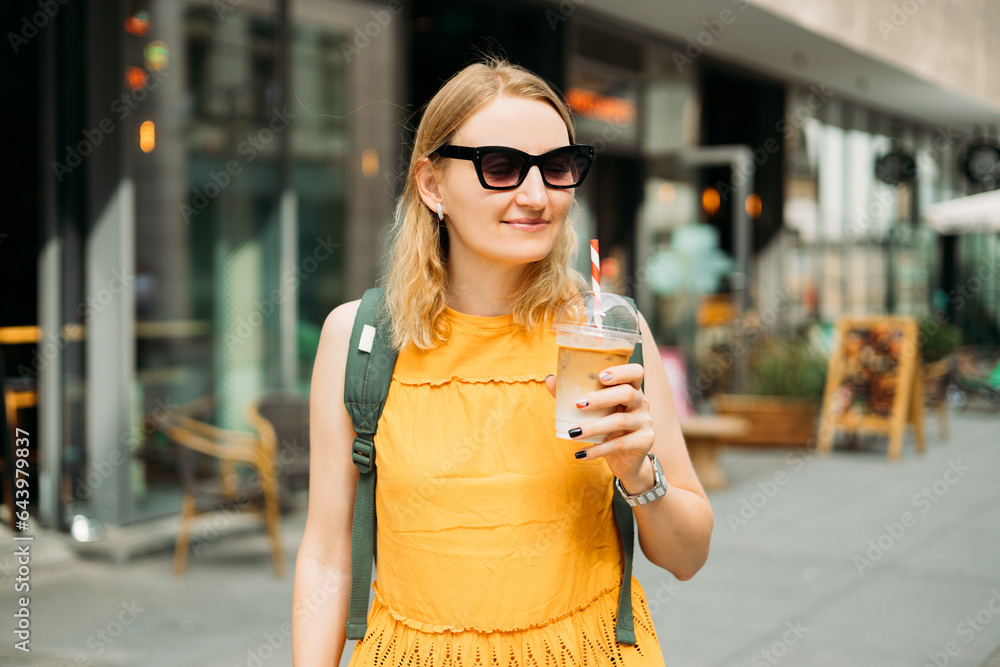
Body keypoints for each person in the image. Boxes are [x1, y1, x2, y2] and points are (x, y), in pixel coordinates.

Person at [292, 58, 713, 666]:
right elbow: (328, 558)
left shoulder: (609, 331)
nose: (537, 196)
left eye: (557, 167)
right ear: (432, 185)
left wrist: (638, 473)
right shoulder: (361, 338)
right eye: (501, 167)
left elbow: (688, 557)